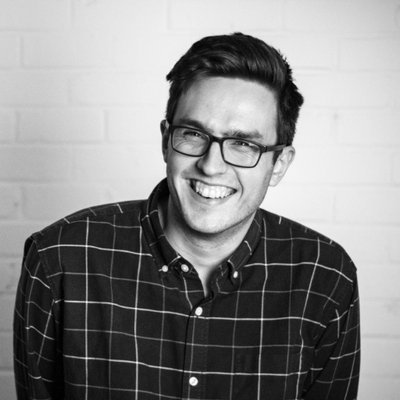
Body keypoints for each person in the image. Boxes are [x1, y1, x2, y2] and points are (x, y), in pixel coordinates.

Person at [13, 32, 360, 400]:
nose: (211, 166)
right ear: (166, 141)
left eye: (244, 144)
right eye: (194, 133)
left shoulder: (325, 277)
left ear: (279, 164)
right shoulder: (59, 261)